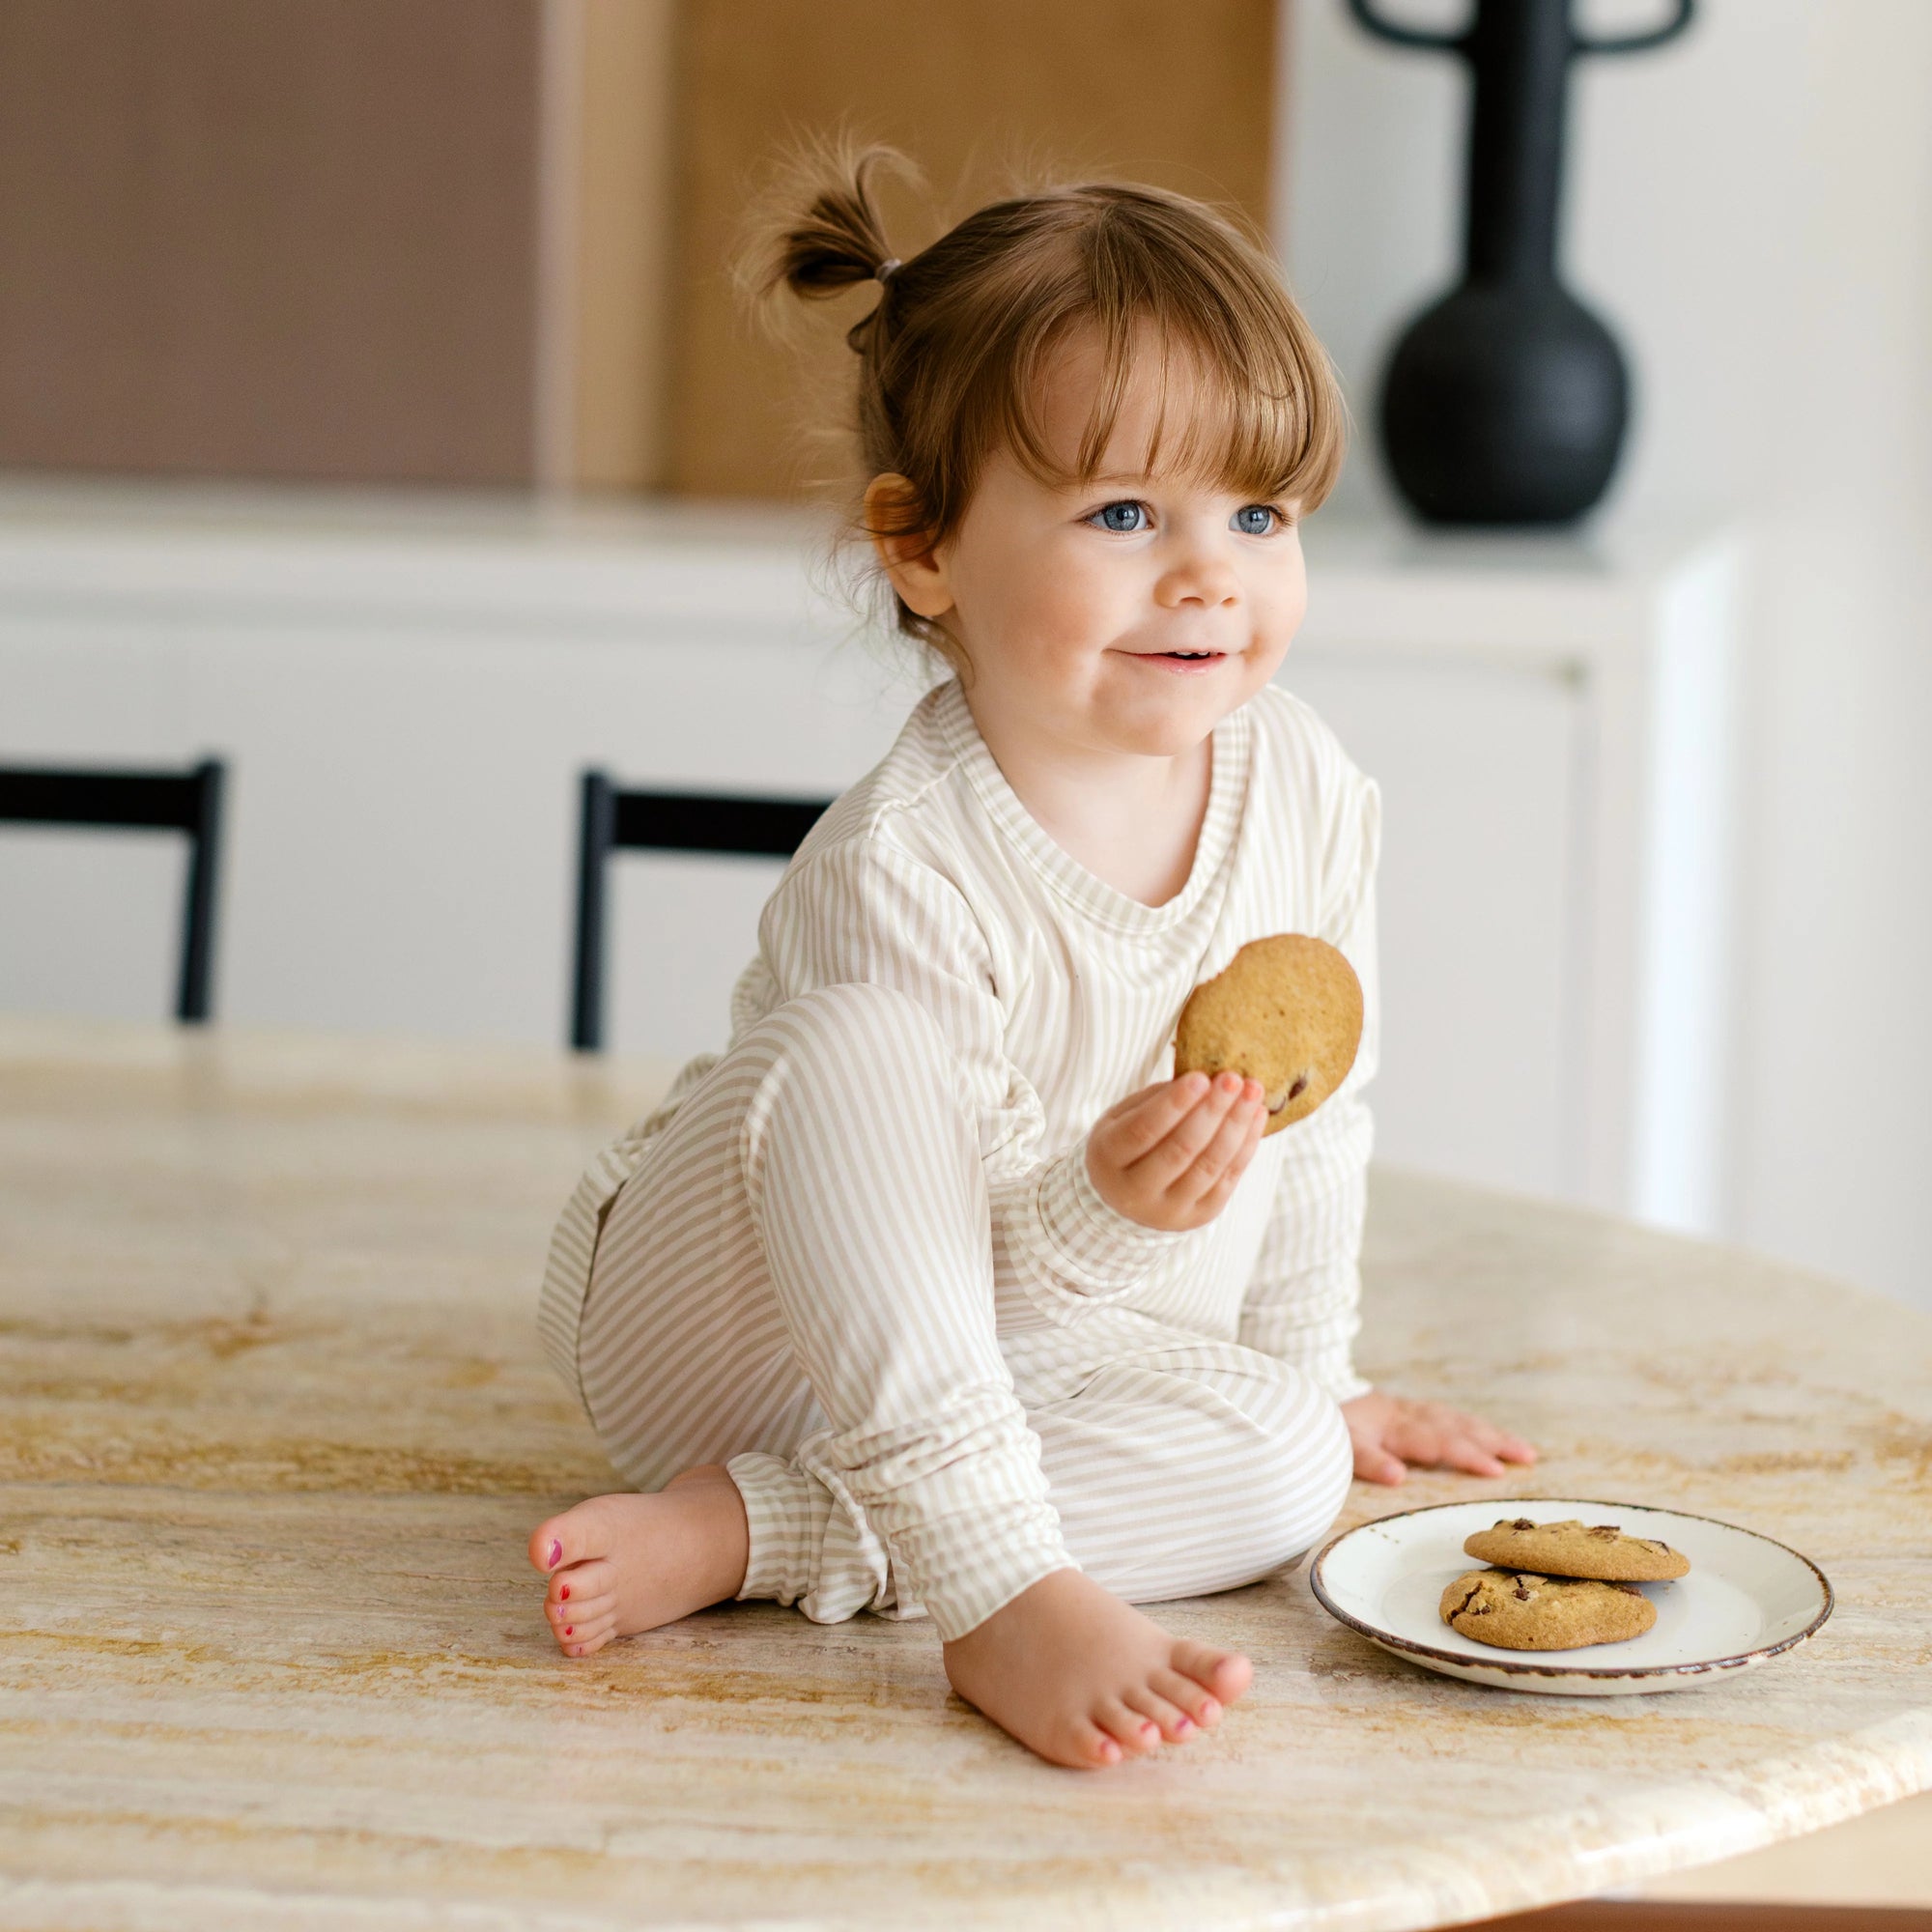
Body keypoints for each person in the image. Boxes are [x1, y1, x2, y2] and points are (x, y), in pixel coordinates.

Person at [527, 148, 1535, 1770]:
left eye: (1259, 512)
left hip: (1021, 1363)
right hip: (737, 1325)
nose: (1211, 571)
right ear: (923, 550)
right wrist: (1106, 1214)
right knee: (865, 1040)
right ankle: (989, 1593)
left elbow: (1314, 1125)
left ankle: (765, 1538)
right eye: (1126, 513)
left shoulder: (1310, 795)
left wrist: (1305, 1380)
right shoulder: (906, 860)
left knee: (1282, 1469)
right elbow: (928, 1248)